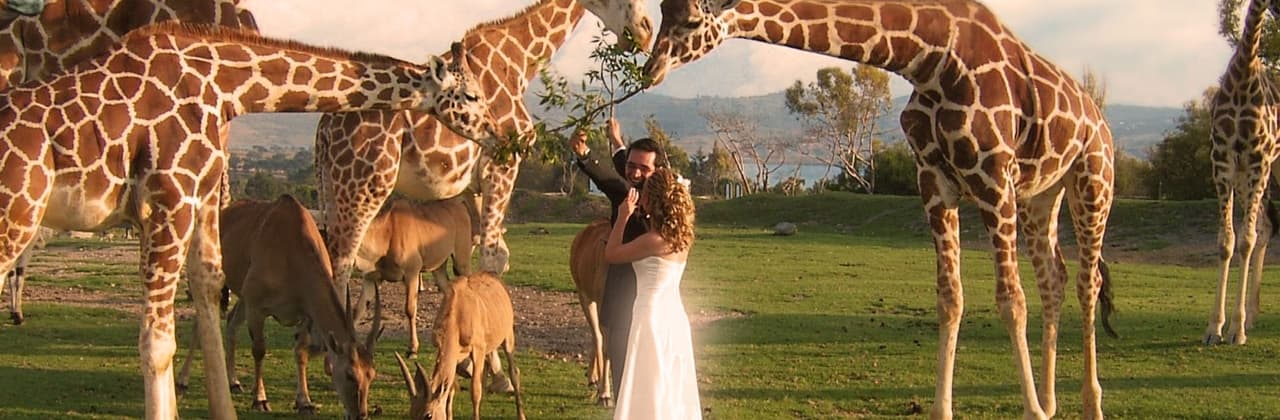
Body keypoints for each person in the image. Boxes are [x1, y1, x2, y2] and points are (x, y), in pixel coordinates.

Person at [571, 118, 666, 395]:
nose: (635, 173)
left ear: (658, 171)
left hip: (649, 294)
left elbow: (617, 177)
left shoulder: (650, 198)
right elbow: (621, 173)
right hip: (623, 290)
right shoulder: (632, 188)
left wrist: (596, 152)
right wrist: (608, 144)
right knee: (621, 361)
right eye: (631, 166)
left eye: (643, 168)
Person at [604, 168, 701, 419]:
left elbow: (611, 254)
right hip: (674, 314)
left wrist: (623, 216)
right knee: (670, 383)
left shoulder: (654, 241)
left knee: (650, 381)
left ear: (649, 200)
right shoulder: (681, 239)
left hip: (650, 314)